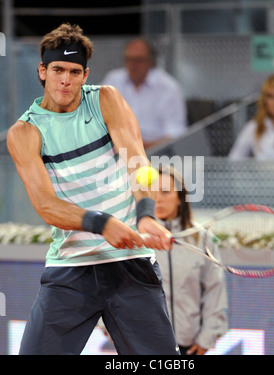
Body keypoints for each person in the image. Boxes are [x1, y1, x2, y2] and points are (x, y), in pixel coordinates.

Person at [6, 23, 179, 355]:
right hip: (71, 271)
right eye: (57, 70)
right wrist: (103, 223)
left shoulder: (106, 99)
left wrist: (145, 216)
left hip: (131, 264)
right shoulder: (25, 132)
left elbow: (139, 165)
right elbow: (46, 206)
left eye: (74, 71)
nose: (65, 80)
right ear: (42, 71)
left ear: (85, 75)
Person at [154, 165, 228, 355]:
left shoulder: (202, 238)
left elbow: (214, 291)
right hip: (144, 345)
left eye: (165, 191)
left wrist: (206, 338)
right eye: (152, 192)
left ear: (180, 197)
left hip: (191, 347)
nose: (157, 198)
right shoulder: (136, 239)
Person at [101, 38, 187, 149]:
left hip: (156, 152)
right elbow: (97, 117)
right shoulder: (113, 81)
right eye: (129, 59)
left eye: (138, 60)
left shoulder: (168, 88)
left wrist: (139, 147)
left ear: (150, 62)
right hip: (115, 150)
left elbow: (175, 133)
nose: (133, 65)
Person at [229, 73, 274, 160]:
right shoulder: (255, 127)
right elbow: (234, 159)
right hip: (263, 173)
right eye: (270, 96)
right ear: (265, 101)